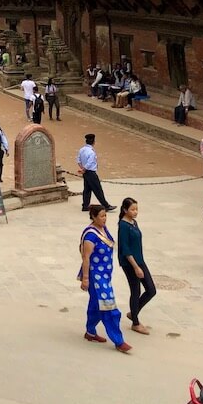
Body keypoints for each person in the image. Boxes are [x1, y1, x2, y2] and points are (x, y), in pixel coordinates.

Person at [79, 206, 131, 352]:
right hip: (96, 277)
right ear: (94, 217)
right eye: (101, 216)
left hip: (105, 275)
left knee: (95, 305)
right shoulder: (90, 236)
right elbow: (86, 258)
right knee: (109, 307)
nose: (104, 219)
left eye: (105, 216)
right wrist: (85, 279)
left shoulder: (104, 229)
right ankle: (118, 341)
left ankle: (90, 332)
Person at [117, 197, 156, 334]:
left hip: (139, 260)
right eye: (132, 209)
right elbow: (125, 248)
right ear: (125, 210)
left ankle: (134, 311)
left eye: (136, 209)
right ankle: (135, 322)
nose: (135, 212)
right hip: (130, 262)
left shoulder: (134, 223)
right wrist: (135, 267)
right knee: (135, 290)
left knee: (151, 289)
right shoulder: (123, 226)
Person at [77, 133, 115, 213]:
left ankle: (85, 205)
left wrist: (82, 169)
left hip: (85, 173)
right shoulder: (91, 152)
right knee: (98, 189)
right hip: (91, 172)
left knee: (87, 189)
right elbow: (89, 163)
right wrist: (84, 169)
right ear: (93, 142)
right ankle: (106, 205)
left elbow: (78, 161)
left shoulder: (81, 150)